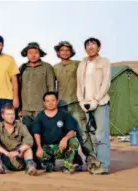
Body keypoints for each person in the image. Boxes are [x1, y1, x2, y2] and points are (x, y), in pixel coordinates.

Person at [53, 41, 99, 171]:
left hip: (76, 103)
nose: (65, 52)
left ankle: (91, 159)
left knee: (82, 132)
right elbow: (53, 87)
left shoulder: (79, 64)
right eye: (62, 50)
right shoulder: (55, 68)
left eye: (67, 50)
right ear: (58, 52)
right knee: (64, 134)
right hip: (61, 105)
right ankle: (75, 160)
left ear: (71, 52)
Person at [76, 37, 111, 175]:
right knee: (90, 135)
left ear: (99, 47)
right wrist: (81, 101)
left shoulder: (104, 62)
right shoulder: (82, 63)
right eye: (88, 45)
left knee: (101, 135)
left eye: (93, 45)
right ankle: (94, 163)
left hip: (100, 103)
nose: (90, 47)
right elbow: (79, 84)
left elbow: (106, 82)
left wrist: (96, 99)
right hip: (85, 104)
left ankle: (104, 165)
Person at [32, 92, 80, 174]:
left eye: (53, 100)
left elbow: (71, 131)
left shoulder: (65, 115)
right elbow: (36, 133)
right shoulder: (39, 116)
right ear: (44, 103)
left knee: (74, 141)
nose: (50, 103)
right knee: (39, 153)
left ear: (57, 101)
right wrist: (39, 147)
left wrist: (65, 139)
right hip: (46, 148)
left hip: (61, 147)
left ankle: (67, 166)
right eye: (47, 101)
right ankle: (49, 164)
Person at [0, 104, 37, 175]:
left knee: (28, 148)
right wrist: (7, 153)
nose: (11, 116)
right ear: (3, 116)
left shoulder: (21, 126)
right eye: (8, 114)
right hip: (6, 158)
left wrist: (18, 151)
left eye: (12, 114)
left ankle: (30, 167)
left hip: (19, 156)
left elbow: (29, 140)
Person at [18, 42, 55, 131]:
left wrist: (50, 106)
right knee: (27, 133)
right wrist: (20, 109)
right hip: (26, 108)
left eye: (36, 52)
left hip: (41, 107)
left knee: (41, 132)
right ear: (27, 54)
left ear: (40, 54)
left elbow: (51, 87)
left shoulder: (47, 67)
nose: (33, 55)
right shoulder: (22, 68)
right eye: (30, 53)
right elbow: (18, 88)